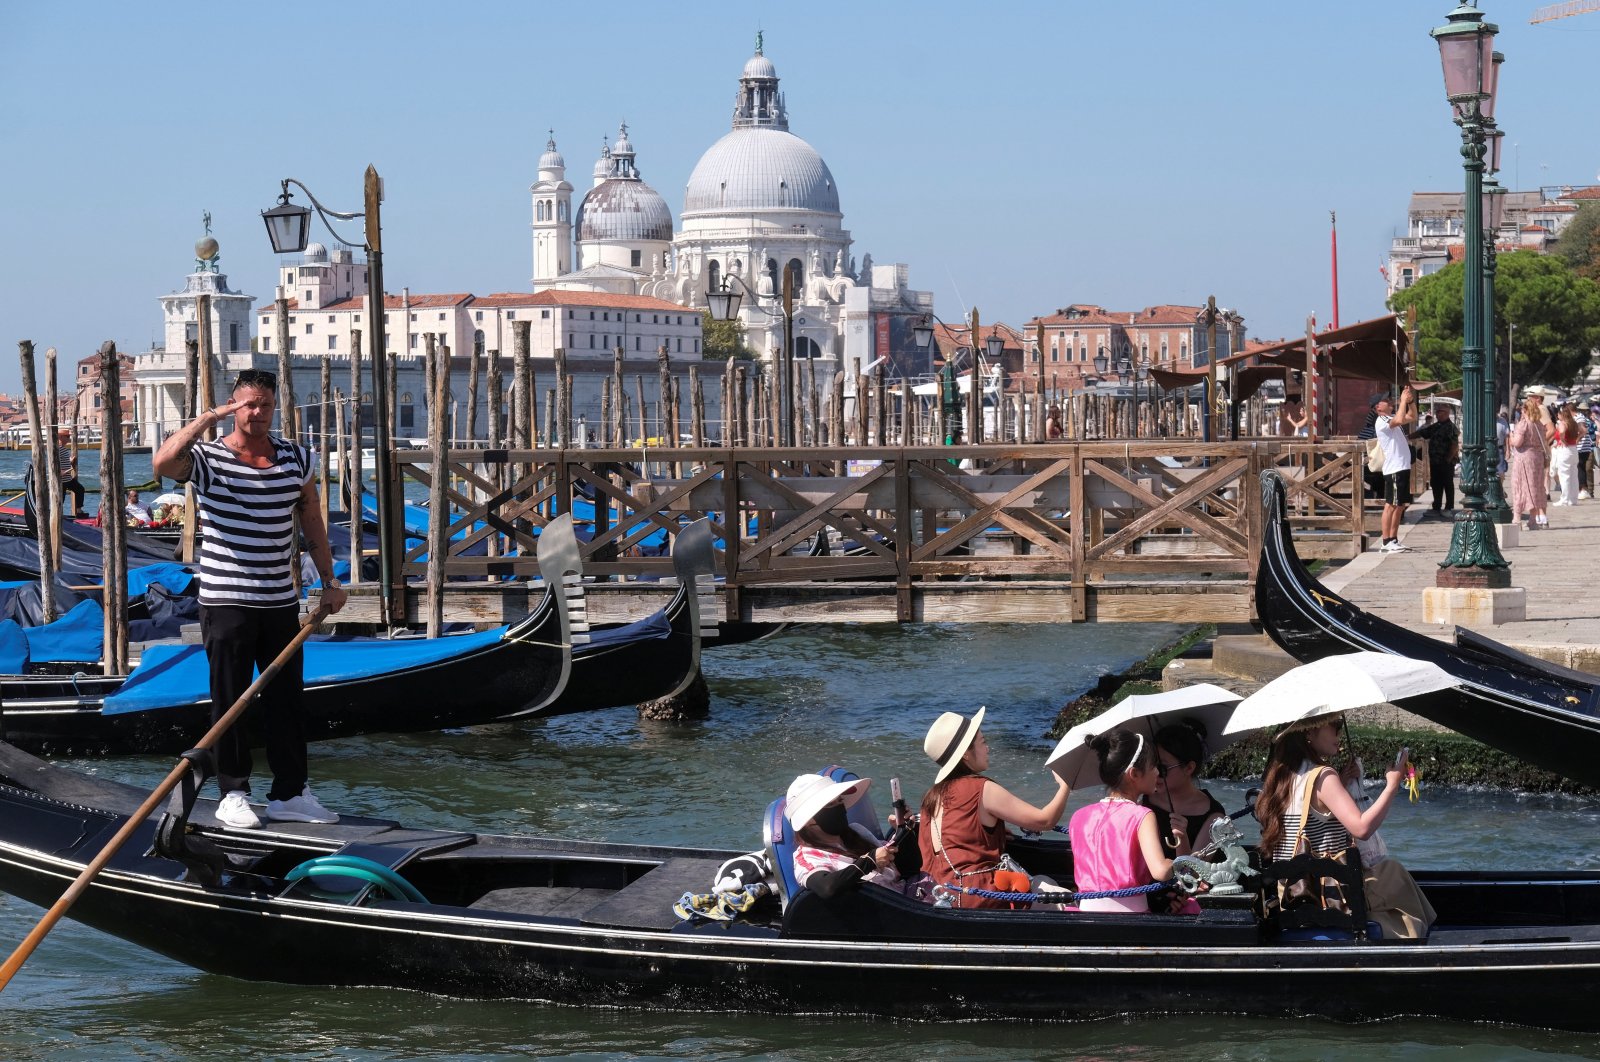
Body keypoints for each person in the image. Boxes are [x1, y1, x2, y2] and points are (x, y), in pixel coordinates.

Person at [152, 368, 348, 829]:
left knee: (286, 699)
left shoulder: (298, 458)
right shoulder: (208, 458)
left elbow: (312, 521)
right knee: (230, 698)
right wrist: (208, 417)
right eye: (248, 405)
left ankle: (290, 793)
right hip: (225, 599)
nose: (257, 413)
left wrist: (329, 581)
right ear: (234, 407)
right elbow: (162, 464)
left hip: (280, 598)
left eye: (264, 405)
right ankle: (233, 792)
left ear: (274, 407)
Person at [1253, 713, 1434, 939]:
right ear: (1309, 731)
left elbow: (1310, 812)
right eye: (1334, 726)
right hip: (1330, 895)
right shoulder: (1323, 776)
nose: (1338, 733)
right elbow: (1361, 829)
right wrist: (1392, 785)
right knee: (1393, 872)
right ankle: (1414, 940)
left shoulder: (1282, 776)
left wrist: (1341, 782)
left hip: (1291, 894)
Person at [918, 707, 1071, 909]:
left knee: (1044, 881)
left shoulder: (931, 796)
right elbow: (1044, 821)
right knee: (1066, 900)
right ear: (965, 755)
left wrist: (994, 835)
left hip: (939, 895)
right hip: (978, 895)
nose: (988, 748)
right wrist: (1066, 784)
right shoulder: (981, 788)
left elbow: (956, 840)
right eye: (983, 742)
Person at [1067, 729, 1193, 914]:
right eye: (1153, 767)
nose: (1158, 772)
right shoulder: (1142, 815)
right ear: (1134, 774)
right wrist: (1182, 860)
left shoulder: (1079, 815)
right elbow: (1160, 872)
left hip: (1085, 914)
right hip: (1131, 916)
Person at [785, 773, 918, 900]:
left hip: (910, 895)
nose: (839, 808)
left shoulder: (857, 831)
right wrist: (869, 861)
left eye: (839, 801)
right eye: (830, 805)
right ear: (808, 820)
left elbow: (909, 868)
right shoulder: (806, 857)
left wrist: (904, 831)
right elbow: (827, 888)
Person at [1143, 720, 1227, 861]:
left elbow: (1194, 873)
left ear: (1189, 768)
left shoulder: (1214, 816)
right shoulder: (1146, 799)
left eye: (1163, 768)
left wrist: (1182, 837)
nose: (1156, 772)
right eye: (1152, 765)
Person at [1373, 386, 1418, 552]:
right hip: (1394, 468)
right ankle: (1385, 541)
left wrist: (1410, 401)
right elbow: (1398, 420)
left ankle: (1393, 539)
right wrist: (1403, 402)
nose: (1390, 401)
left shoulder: (1391, 417)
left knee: (1400, 505)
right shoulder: (1382, 421)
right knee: (1390, 505)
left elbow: (1412, 416)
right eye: (1385, 401)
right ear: (1378, 407)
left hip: (1402, 467)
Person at [1508, 395, 1550, 531]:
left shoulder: (1524, 424)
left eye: (1522, 410)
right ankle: (1533, 520)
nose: (1521, 412)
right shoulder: (1539, 425)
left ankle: (1517, 518)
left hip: (1524, 459)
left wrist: (1511, 438)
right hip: (1538, 458)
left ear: (1526, 410)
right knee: (1535, 487)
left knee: (1520, 486)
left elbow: (1518, 442)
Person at [1410, 404, 1459, 517]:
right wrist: (1407, 437)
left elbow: (1454, 444)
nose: (1437, 414)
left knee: (1447, 484)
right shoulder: (1436, 426)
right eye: (1437, 412)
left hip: (1446, 461)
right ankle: (1436, 506)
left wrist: (1448, 459)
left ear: (1446, 413)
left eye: (1440, 412)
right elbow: (1423, 433)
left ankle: (1448, 507)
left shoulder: (1451, 427)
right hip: (1435, 461)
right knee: (1436, 484)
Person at [1550, 405, 1581, 507]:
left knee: (1564, 476)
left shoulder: (1563, 423)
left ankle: (1564, 499)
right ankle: (1573, 499)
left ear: (1561, 414)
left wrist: (1562, 440)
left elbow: (1562, 432)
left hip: (1565, 450)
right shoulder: (1574, 423)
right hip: (1573, 449)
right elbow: (1583, 431)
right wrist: (1577, 440)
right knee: (1573, 475)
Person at [54, 430, 85, 517]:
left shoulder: (63, 449)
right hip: (61, 479)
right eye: (67, 437)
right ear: (60, 437)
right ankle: (58, 514)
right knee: (61, 498)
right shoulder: (57, 449)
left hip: (68, 478)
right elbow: (53, 462)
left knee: (80, 489)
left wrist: (70, 462)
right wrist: (59, 471)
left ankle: (78, 510)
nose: (69, 438)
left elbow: (64, 462)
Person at [1578, 401, 1596, 500]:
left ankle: (1590, 491)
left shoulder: (1590, 421)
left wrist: (1595, 419)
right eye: (1582, 410)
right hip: (1581, 447)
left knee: (1588, 469)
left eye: (1586, 410)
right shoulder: (1578, 419)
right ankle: (1583, 489)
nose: (1584, 412)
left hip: (1591, 447)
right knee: (1582, 469)